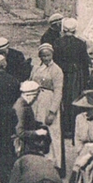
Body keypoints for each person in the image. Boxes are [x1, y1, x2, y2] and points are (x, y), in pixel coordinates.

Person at [29, 43, 65, 173]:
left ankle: (56, 162)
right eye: (43, 56)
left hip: (49, 102)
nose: (46, 58)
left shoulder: (56, 70)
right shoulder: (36, 69)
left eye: (48, 55)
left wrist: (52, 111)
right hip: (36, 102)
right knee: (38, 130)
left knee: (53, 131)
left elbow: (58, 91)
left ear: (52, 55)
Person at [53, 17, 90, 141]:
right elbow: (85, 62)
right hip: (75, 76)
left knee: (62, 99)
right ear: (74, 30)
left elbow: (55, 60)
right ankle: (73, 127)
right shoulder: (80, 43)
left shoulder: (57, 42)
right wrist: (86, 79)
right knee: (74, 99)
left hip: (62, 74)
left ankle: (63, 128)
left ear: (64, 29)